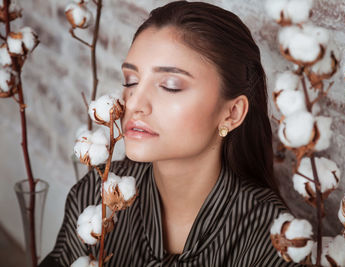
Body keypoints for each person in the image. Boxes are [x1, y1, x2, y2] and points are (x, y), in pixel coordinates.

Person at [40, 1, 300, 266]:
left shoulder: (272, 237)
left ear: (232, 113)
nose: (134, 103)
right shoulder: (96, 197)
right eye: (130, 81)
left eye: (170, 86)